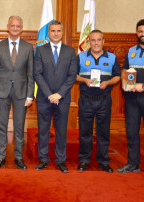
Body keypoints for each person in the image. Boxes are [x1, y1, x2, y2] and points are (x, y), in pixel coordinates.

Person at [0, 16, 34, 170]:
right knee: (1, 126)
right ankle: (1, 157)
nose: (15, 28)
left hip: (21, 93)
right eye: (13, 25)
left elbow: (31, 74)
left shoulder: (28, 47)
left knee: (19, 126)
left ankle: (19, 158)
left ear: (21, 28)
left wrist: (30, 95)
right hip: (1, 92)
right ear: (8, 27)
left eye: (18, 26)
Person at [34, 20, 77, 173]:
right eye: (53, 31)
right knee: (43, 129)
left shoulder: (70, 51)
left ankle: (60, 160)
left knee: (61, 130)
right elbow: (37, 74)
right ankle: (43, 159)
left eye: (58, 31)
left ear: (62, 32)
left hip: (63, 98)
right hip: (44, 98)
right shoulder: (40, 50)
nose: (56, 33)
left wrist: (59, 94)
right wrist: (50, 94)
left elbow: (72, 76)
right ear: (49, 33)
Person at [76, 30, 120, 173]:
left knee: (103, 132)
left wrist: (108, 83)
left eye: (98, 40)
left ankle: (103, 161)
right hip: (86, 99)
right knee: (85, 132)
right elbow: (73, 76)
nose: (96, 43)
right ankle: (84, 160)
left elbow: (117, 76)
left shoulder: (112, 58)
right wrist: (84, 80)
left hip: (104, 100)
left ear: (103, 41)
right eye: (93, 40)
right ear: (89, 41)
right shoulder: (81, 56)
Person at [117, 19, 144, 173]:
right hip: (132, 99)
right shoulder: (131, 51)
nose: (143, 34)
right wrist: (123, 81)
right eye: (140, 31)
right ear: (136, 33)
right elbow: (125, 69)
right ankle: (133, 164)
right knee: (132, 131)